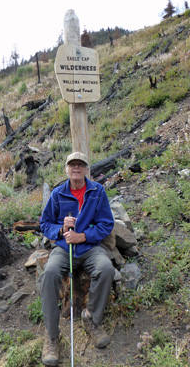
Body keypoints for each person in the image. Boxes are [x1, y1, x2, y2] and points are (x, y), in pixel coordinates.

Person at [40, 151, 115, 366]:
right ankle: (52, 335)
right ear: (66, 169)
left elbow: (106, 224)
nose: (76, 168)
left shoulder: (97, 191)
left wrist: (83, 236)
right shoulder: (57, 193)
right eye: (72, 164)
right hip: (64, 249)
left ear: (86, 169)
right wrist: (61, 229)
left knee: (106, 269)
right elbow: (45, 224)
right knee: (51, 273)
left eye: (80, 164)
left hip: (90, 248)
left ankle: (91, 320)